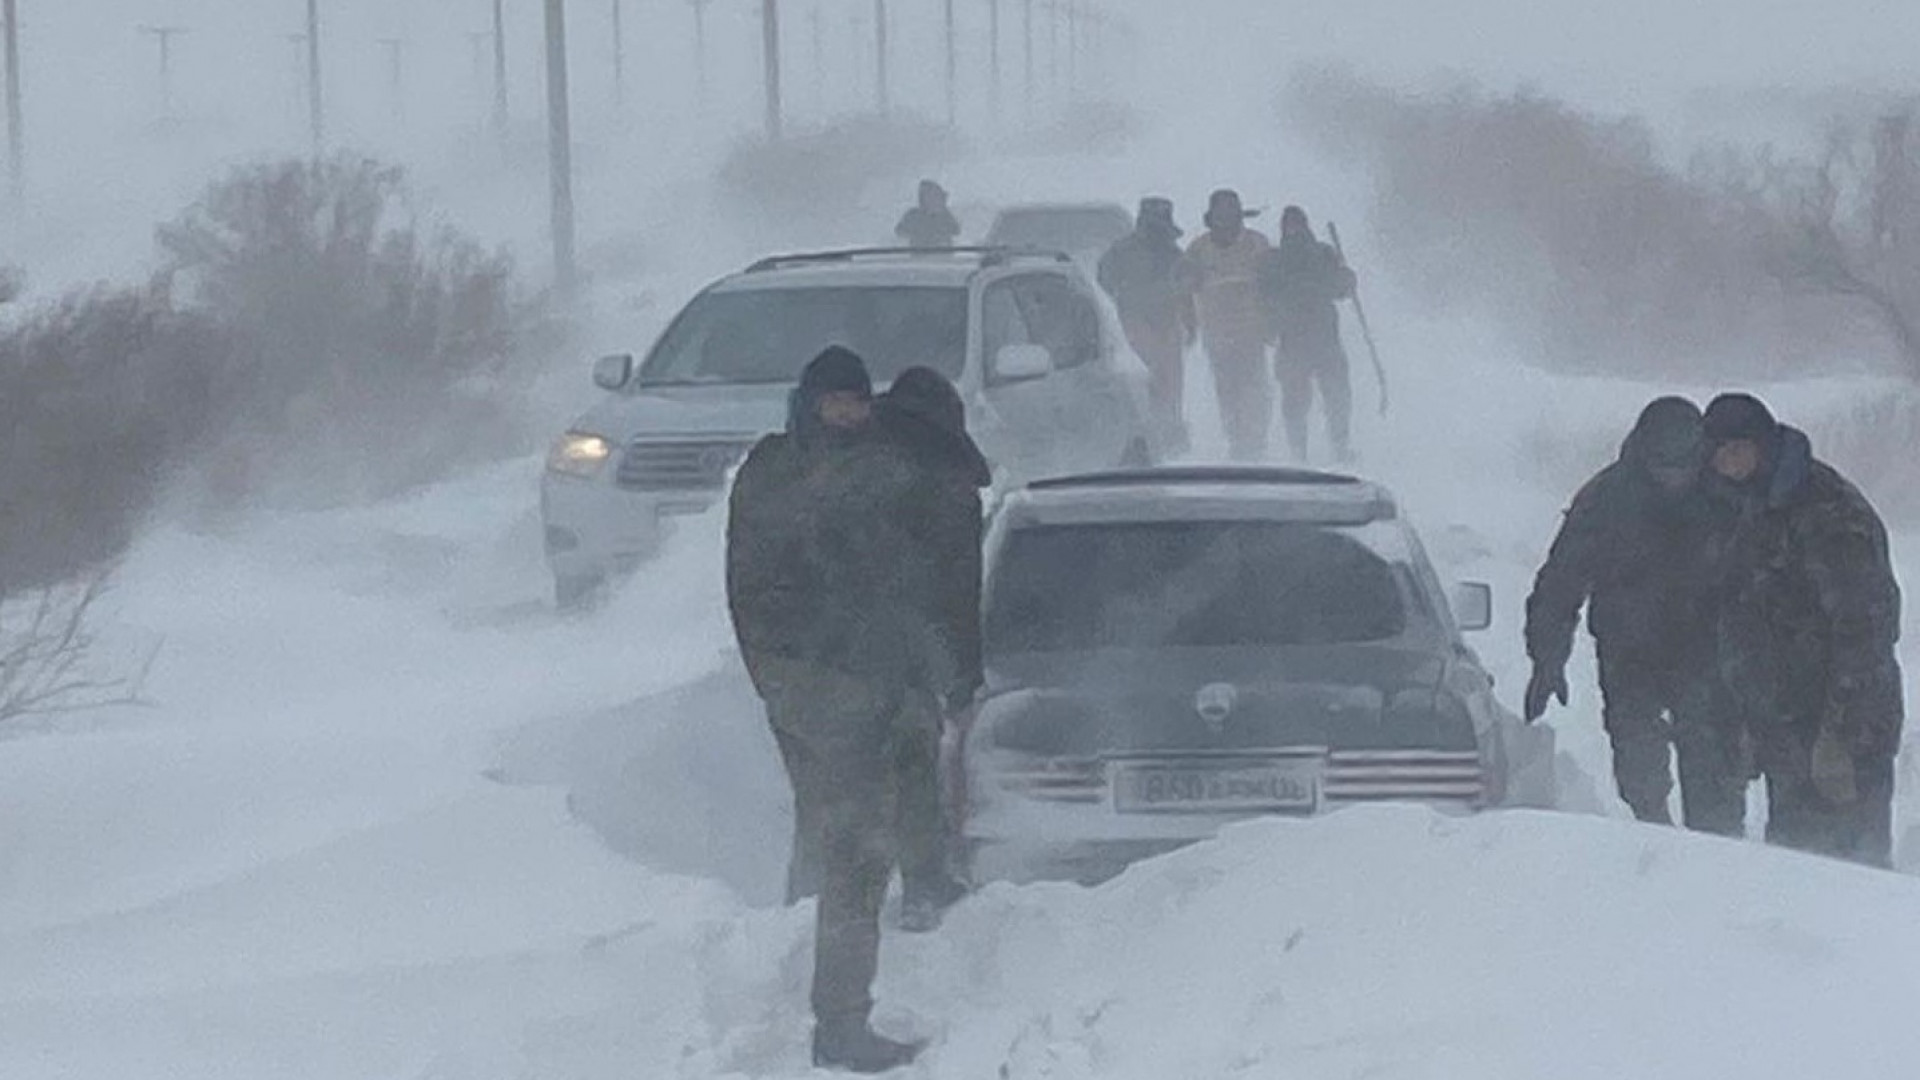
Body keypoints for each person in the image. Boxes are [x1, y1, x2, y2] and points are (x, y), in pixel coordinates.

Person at [725, 346, 928, 1072]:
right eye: (836, 402)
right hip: (816, 684)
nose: (848, 413)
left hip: (858, 682)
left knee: (849, 847)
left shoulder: (876, 467)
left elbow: (900, 573)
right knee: (857, 849)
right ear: (808, 403)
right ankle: (840, 1022)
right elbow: (759, 587)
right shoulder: (777, 473)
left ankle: (837, 1009)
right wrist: (801, 672)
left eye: (857, 402)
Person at [1523, 397, 1747, 833]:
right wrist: (1547, 658)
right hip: (1630, 656)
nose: (1673, 477)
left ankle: (1719, 858)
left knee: (1714, 775)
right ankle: (1652, 840)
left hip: (1708, 658)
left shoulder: (1726, 497)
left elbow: (1761, 576)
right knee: (1639, 768)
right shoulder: (1606, 499)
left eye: (1682, 467)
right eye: (1663, 467)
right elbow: (1561, 581)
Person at [1702, 393, 1903, 868]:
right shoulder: (1752, 508)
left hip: (1847, 725)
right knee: (1795, 869)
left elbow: (1865, 630)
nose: (1728, 462)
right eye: (1719, 453)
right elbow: (1744, 618)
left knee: (1855, 870)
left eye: (1738, 449)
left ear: (1764, 445)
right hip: (1788, 728)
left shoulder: (1828, 511)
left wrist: (1840, 734)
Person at [876, 367, 991, 933]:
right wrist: (963, 674)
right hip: (904, 656)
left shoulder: (851, 467)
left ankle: (813, 895)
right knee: (914, 763)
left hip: (839, 652)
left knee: (843, 786)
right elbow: (958, 589)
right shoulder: (949, 485)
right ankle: (922, 884)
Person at [1177, 189, 1273, 460]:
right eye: (1221, 216)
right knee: (1227, 389)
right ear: (1211, 219)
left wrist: (1273, 323)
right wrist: (1190, 325)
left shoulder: (1258, 245)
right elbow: (1184, 289)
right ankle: (1236, 439)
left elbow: (1273, 287)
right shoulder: (1198, 249)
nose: (1227, 222)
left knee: (1255, 386)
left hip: (1253, 331)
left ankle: (1257, 439)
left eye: (1231, 216)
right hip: (1217, 334)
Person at [1259, 206, 1357, 463]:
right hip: (1292, 338)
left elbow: (1341, 290)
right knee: (1295, 399)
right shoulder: (1274, 260)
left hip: (1324, 336)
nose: (1294, 232)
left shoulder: (1324, 254)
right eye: (1289, 227)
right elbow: (1264, 295)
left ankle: (1339, 446)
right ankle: (1298, 452)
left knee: (1337, 396)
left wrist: (1346, 280)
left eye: (1298, 226)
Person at [1097, 197, 1194, 451]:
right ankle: (1150, 432)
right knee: (1145, 380)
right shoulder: (1121, 251)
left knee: (1169, 381)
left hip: (1167, 322)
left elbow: (1186, 290)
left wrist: (1189, 322)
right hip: (1135, 322)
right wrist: (1122, 297)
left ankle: (1170, 432)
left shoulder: (1174, 254)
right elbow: (1105, 276)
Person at [895, 180, 961, 250]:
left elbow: (956, 231)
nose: (939, 200)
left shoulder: (946, 216)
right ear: (923, 199)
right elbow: (899, 231)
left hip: (943, 258)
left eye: (939, 197)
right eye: (932, 196)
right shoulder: (912, 216)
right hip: (918, 258)